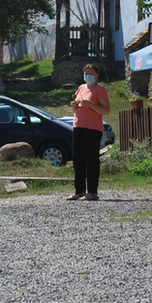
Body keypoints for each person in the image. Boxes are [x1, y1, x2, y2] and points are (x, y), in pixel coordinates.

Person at [67, 64, 110, 201]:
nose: (88, 76)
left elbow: (106, 110)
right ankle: (79, 190)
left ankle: (92, 191)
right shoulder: (81, 88)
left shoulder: (100, 89)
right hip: (78, 126)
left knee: (91, 160)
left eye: (91, 73)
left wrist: (91, 105)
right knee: (78, 160)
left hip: (93, 128)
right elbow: (79, 106)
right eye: (86, 73)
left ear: (97, 75)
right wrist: (75, 106)